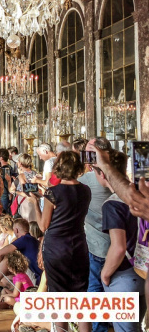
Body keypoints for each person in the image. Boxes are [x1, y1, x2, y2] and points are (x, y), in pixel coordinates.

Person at [29, 151, 91, 332]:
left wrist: (35, 203)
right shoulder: (85, 190)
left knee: (58, 297)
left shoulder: (53, 192)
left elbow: (43, 226)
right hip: (79, 244)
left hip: (56, 247)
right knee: (81, 298)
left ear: (59, 167)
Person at [97, 150, 146, 332]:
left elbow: (118, 247)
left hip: (125, 274)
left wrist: (105, 274)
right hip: (144, 271)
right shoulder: (141, 196)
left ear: (102, 174)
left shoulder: (113, 204)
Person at [78, 137, 113, 332]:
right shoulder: (119, 177)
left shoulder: (86, 181)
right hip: (117, 247)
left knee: (93, 291)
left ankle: (98, 328)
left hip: (96, 247)